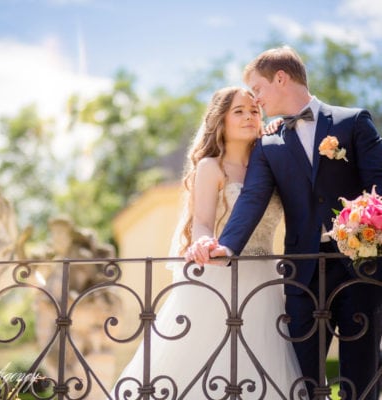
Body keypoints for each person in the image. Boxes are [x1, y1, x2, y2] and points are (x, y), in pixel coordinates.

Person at [199, 46, 382, 399]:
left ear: (281, 78)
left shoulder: (353, 121)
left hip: (360, 268)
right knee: (303, 379)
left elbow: (379, 186)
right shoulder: (268, 144)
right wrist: (228, 245)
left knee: (362, 379)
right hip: (303, 274)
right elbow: (252, 197)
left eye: (258, 89)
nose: (257, 99)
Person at [110, 87, 306, 399]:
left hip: (266, 279)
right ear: (221, 120)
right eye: (239, 111)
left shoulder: (270, 163)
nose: (248, 117)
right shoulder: (210, 167)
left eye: (254, 111)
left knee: (261, 360)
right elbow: (202, 220)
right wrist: (203, 243)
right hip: (219, 272)